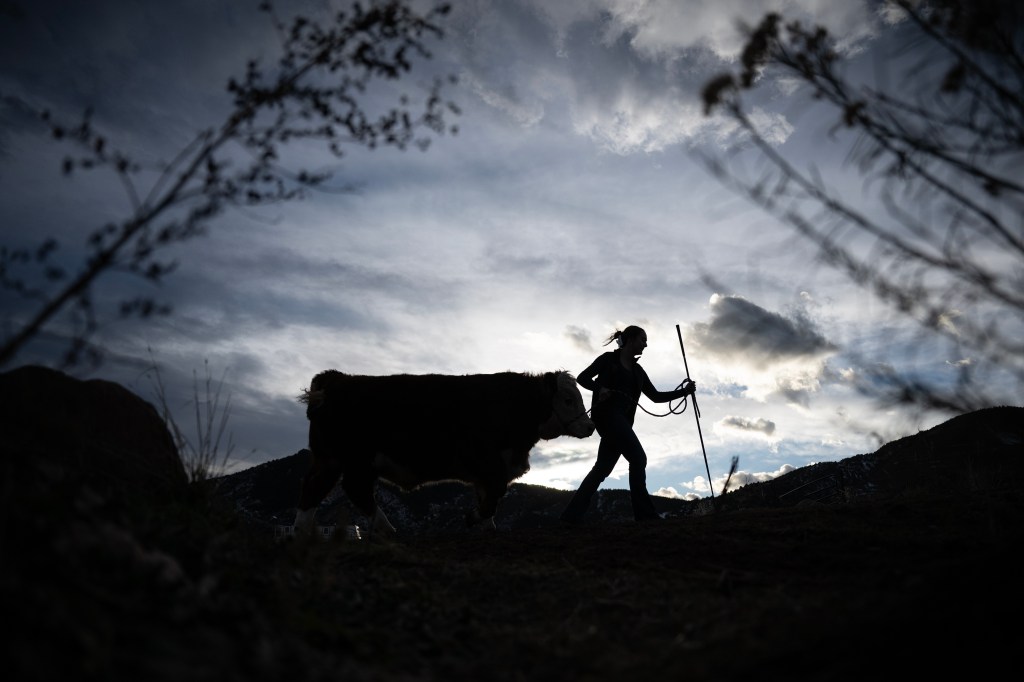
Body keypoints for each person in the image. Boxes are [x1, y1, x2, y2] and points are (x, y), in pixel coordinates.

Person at [560, 325, 696, 523]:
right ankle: (645, 516)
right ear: (630, 339)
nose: (646, 344)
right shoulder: (607, 360)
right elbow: (582, 378)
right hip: (606, 417)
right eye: (643, 340)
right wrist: (601, 388)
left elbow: (656, 397)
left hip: (622, 423)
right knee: (638, 458)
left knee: (602, 469)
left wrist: (685, 392)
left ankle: (569, 517)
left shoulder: (638, 371)